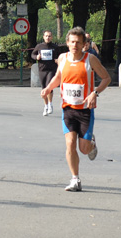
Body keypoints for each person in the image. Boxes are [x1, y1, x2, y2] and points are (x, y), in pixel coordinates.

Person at [41, 27, 111, 192]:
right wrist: (48, 88)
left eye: (78, 42)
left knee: (83, 149)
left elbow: (106, 78)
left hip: (85, 110)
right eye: (72, 42)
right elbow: (58, 77)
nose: (75, 45)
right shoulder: (62, 58)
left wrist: (95, 93)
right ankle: (75, 179)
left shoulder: (90, 59)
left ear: (84, 44)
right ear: (67, 43)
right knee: (70, 144)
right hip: (68, 109)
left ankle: (91, 144)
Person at [31, 30, 60, 116]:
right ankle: (46, 105)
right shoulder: (39, 46)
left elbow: (59, 56)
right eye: (46, 36)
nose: (48, 37)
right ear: (43, 37)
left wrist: (57, 60)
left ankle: (50, 105)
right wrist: (37, 57)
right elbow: (32, 55)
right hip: (42, 70)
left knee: (49, 86)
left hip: (51, 70)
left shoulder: (55, 47)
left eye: (49, 36)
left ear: (52, 37)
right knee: (44, 88)